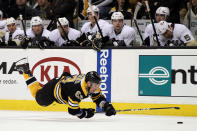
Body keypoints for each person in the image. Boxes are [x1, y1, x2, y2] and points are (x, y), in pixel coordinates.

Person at [14, 58, 116, 119]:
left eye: (98, 85)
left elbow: (97, 97)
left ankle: (26, 71)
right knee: (38, 97)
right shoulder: (77, 90)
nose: (97, 87)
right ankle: (26, 71)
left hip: (64, 83)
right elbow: (72, 111)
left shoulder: (91, 83)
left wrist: (106, 106)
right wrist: (84, 113)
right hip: (53, 90)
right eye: (96, 85)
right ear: (89, 83)